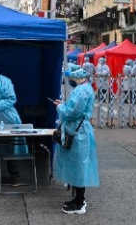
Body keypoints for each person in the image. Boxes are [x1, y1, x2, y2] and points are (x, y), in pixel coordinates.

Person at [52, 68, 99, 215]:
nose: (69, 80)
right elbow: (73, 108)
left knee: (79, 166)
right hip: (78, 131)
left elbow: (71, 112)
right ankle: (78, 198)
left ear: (76, 76)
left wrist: (60, 107)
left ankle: (79, 202)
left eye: (70, 77)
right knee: (77, 165)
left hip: (78, 133)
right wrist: (64, 105)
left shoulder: (81, 91)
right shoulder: (84, 88)